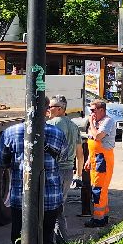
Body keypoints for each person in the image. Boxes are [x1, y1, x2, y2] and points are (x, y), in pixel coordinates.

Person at [0, 113, 66, 244]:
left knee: (19, 236)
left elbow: (3, 161)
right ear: (46, 111)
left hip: (21, 198)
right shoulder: (56, 133)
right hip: (50, 198)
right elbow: (62, 158)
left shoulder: (10, 132)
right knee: (46, 235)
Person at [46, 96, 82, 235]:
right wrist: (78, 174)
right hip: (68, 171)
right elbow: (80, 153)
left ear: (60, 109)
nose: (48, 109)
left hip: (55, 170)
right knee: (60, 206)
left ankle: (59, 241)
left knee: (51, 208)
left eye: (51, 107)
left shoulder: (53, 124)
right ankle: (61, 240)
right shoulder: (74, 126)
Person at [84, 99, 118, 227]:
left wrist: (92, 123)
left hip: (103, 159)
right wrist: (88, 159)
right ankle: (103, 215)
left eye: (93, 110)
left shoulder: (107, 121)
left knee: (99, 189)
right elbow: (91, 142)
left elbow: (98, 137)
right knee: (97, 187)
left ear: (101, 110)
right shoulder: (96, 121)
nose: (91, 113)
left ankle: (98, 219)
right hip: (95, 158)